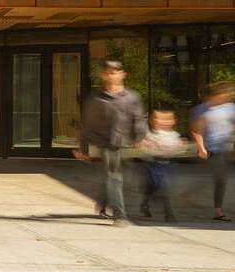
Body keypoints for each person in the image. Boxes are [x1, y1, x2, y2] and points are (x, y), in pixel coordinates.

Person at [74, 58, 147, 223]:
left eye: (114, 73)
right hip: (106, 143)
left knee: (112, 177)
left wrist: (141, 137)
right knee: (115, 177)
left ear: (122, 75)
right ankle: (120, 215)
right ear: (102, 75)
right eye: (107, 73)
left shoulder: (132, 97)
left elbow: (139, 118)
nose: (110, 76)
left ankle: (101, 203)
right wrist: (83, 149)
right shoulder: (96, 99)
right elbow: (86, 125)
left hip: (125, 143)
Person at [190, 80, 235, 221]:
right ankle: (218, 211)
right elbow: (197, 130)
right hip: (212, 149)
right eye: (229, 94)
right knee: (220, 179)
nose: (231, 98)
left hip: (226, 148)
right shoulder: (202, 109)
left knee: (217, 179)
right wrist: (201, 148)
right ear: (220, 93)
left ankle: (198, 196)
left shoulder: (233, 108)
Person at [137, 108, 185, 221]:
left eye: (168, 119)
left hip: (168, 165)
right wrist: (146, 145)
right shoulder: (150, 134)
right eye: (159, 118)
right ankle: (145, 203)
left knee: (165, 187)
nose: (164, 121)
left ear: (173, 121)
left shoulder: (174, 135)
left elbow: (178, 147)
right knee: (152, 188)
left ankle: (169, 212)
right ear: (152, 121)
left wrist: (180, 146)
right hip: (154, 164)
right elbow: (143, 146)